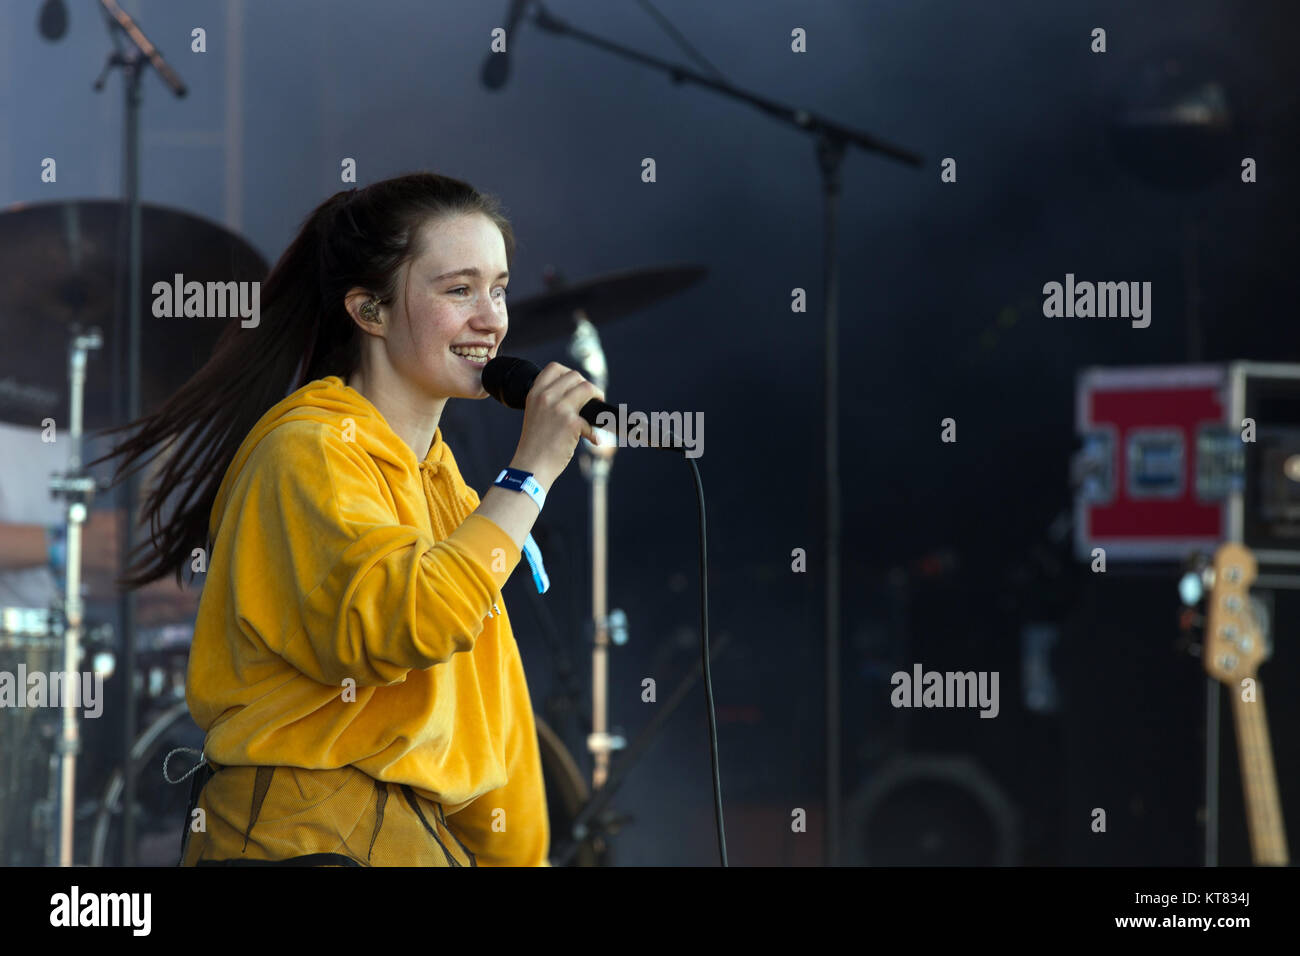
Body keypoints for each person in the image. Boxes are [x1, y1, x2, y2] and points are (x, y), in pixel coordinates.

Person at [95, 172, 604, 866]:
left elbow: (491, 705)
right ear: (370, 311)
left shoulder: (438, 476)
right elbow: (408, 621)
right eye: (459, 290)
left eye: (499, 288)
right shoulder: (308, 450)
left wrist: (520, 857)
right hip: (312, 844)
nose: (492, 319)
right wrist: (531, 472)